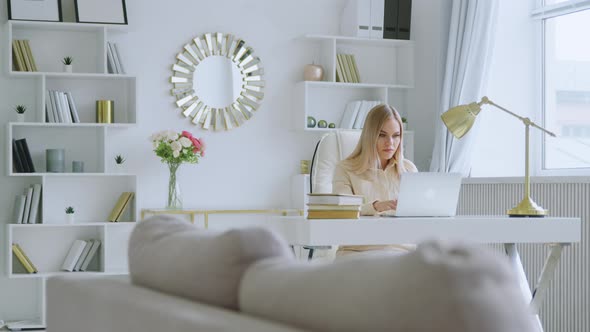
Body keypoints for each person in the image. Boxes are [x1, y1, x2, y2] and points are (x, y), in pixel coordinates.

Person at [332, 104, 418, 256]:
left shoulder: (408, 169)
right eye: (382, 135)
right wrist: (376, 206)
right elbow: (343, 211)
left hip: (402, 253)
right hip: (358, 251)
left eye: (396, 135)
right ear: (370, 135)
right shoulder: (345, 169)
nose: (390, 143)